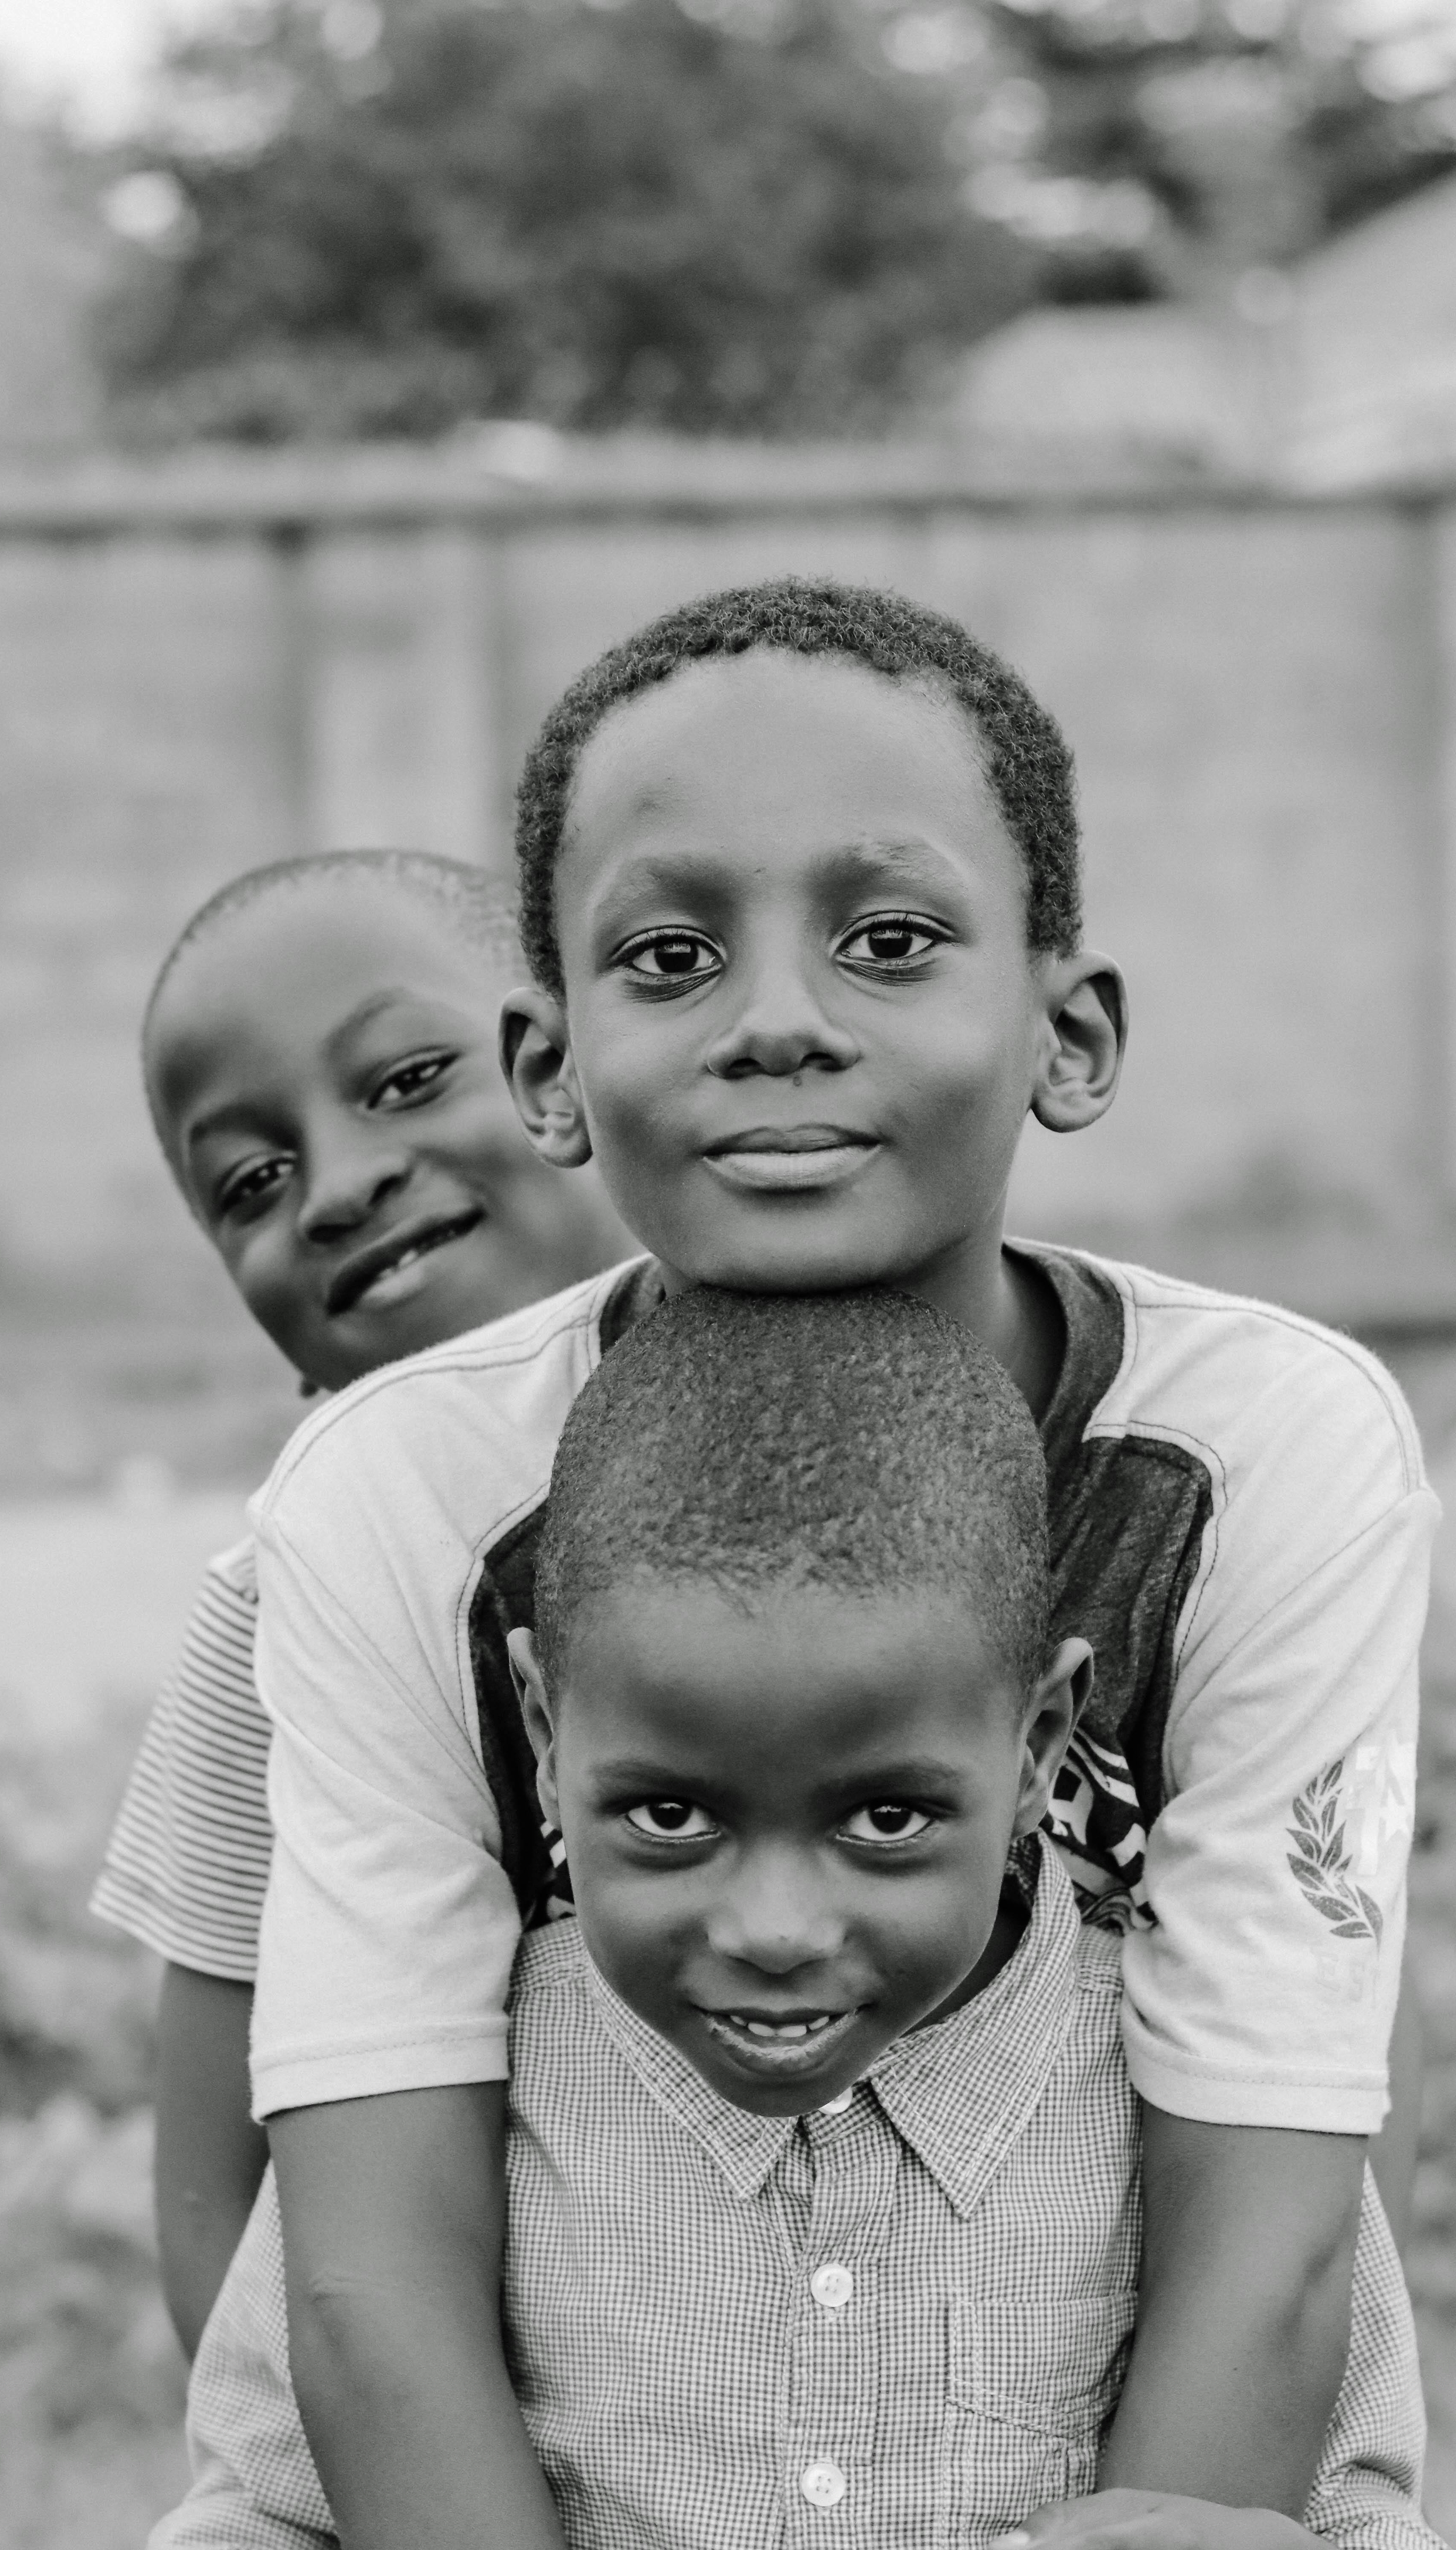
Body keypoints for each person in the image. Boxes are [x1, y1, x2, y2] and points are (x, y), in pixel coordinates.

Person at [243, 580, 1438, 2550]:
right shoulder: (406, 1495)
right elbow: (365, 2281)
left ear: (1067, 1031)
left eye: (889, 942)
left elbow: (1272, 2218)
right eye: (669, 951)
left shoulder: (1259, 1460)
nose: (778, 1017)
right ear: (545, 1064)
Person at [156, 1291, 1435, 2550]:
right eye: (669, 1817)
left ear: (1040, 1745)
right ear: (545, 1737)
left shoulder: (1170, 2116)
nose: (774, 1929)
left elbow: (1359, 2511)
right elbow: (261, 2510)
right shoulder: (465, 2118)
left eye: (885, 1821)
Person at [90, 849, 628, 2354]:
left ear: (569, 1068)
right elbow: (217, 2185)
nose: (340, 1185)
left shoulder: (886, 1456)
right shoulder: (276, 1608)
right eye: (250, 1184)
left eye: (404, 1081)